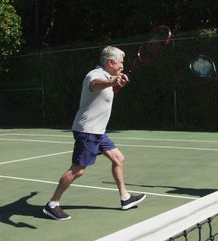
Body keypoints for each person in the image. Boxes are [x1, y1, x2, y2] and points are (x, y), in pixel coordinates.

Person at [43, 46, 146, 221]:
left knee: (118, 158)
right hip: (87, 131)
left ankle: (125, 198)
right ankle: (52, 204)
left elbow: (104, 93)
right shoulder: (94, 75)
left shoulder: (108, 77)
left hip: (98, 131)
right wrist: (113, 82)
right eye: (121, 62)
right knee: (78, 170)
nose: (123, 65)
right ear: (111, 62)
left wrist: (117, 83)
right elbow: (94, 85)